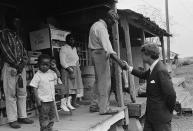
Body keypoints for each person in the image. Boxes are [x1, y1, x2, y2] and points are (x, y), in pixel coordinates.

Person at [125, 43, 176, 131]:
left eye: (142, 54)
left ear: (148, 55)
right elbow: (143, 75)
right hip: (151, 116)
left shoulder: (160, 70)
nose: (141, 56)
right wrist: (129, 68)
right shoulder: (153, 67)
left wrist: (168, 111)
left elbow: (171, 95)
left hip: (161, 119)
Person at [88, 9, 127, 115]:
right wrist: (120, 62)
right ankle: (104, 108)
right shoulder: (101, 29)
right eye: (113, 22)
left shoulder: (96, 25)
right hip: (100, 54)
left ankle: (95, 105)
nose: (113, 24)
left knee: (98, 81)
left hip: (95, 53)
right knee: (105, 82)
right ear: (108, 19)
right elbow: (109, 50)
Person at [0, 17, 34, 128]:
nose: (17, 23)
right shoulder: (3, 34)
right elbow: (5, 51)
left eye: (19, 21)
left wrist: (23, 64)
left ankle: (23, 116)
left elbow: (24, 52)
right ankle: (12, 119)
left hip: (20, 68)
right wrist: (16, 65)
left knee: (22, 92)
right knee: (10, 94)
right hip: (10, 67)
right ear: (9, 21)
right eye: (15, 21)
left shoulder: (17, 36)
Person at [29, 54, 59, 131]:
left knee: (51, 116)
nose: (45, 66)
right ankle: (44, 129)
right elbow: (34, 87)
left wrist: (54, 67)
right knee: (44, 117)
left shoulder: (51, 72)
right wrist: (37, 99)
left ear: (50, 65)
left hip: (51, 100)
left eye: (47, 65)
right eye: (43, 64)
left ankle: (50, 128)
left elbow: (58, 75)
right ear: (38, 64)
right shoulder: (37, 75)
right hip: (43, 101)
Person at [60, 33, 84, 109]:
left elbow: (76, 60)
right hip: (67, 70)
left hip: (75, 69)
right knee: (68, 87)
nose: (72, 40)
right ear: (66, 40)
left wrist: (78, 69)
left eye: (73, 39)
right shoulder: (64, 48)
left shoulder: (74, 49)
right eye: (70, 39)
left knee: (74, 87)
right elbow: (62, 62)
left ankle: (73, 102)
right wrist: (70, 70)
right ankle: (67, 104)